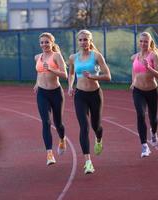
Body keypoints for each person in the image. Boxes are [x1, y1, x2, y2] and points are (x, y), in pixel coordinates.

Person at [68, 29, 111, 174]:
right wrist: (70, 87)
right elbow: (71, 73)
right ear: (78, 41)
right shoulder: (73, 57)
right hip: (80, 95)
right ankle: (88, 162)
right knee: (84, 127)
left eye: (85, 39)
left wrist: (93, 77)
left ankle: (99, 138)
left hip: (95, 95)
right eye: (80, 40)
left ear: (90, 41)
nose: (83, 42)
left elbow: (108, 76)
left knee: (96, 125)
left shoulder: (97, 56)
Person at [33, 32, 68, 166]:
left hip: (56, 93)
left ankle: (62, 139)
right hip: (42, 93)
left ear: (52, 43)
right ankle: (49, 154)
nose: (44, 45)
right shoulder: (38, 57)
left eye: (47, 42)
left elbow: (64, 74)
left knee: (58, 122)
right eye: (42, 42)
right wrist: (37, 83)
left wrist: (51, 70)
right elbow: (39, 72)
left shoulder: (57, 56)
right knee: (46, 122)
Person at [130, 31, 158, 157]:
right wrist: (133, 82)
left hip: (152, 91)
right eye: (141, 41)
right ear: (139, 43)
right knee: (140, 114)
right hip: (138, 91)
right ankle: (144, 146)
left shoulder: (153, 56)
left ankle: (153, 132)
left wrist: (149, 67)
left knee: (153, 119)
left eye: (146, 41)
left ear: (150, 43)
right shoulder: (135, 57)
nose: (143, 43)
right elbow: (134, 70)